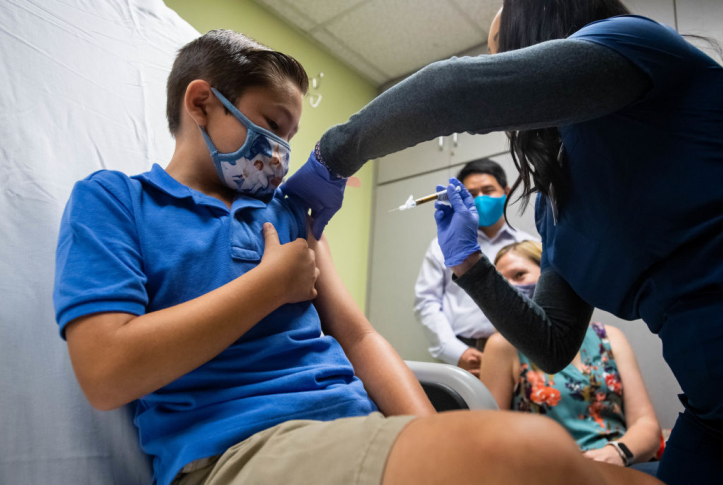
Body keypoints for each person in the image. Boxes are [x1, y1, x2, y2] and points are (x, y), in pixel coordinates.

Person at [52, 30, 658, 485]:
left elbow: (360, 336)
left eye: (290, 141)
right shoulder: (116, 201)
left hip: (361, 428)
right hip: (241, 450)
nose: (278, 155)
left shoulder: (287, 216)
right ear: (202, 102)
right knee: (531, 452)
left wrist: (435, 434)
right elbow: (107, 374)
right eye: (269, 125)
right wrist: (268, 286)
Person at [280, 1, 723, 482]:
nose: (507, 75)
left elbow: (452, 91)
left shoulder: (634, 44)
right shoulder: (559, 205)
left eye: (504, 55)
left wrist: (333, 155)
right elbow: (552, 344)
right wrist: (469, 263)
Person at [480, 241, 661, 475]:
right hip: (550, 472)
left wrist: (618, 453)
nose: (511, 287)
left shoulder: (610, 338)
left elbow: (645, 423)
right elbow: (493, 436)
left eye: (519, 275)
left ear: (548, 279)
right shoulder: (502, 346)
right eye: (504, 282)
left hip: (619, 465)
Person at [414, 159, 536, 375]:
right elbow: (427, 302)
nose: (480, 199)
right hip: (464, 351)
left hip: (522, 350)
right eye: (471, 194)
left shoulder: (532, 247)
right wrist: (457, 352)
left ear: (506, 191)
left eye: (488, 190)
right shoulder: (445, 246)